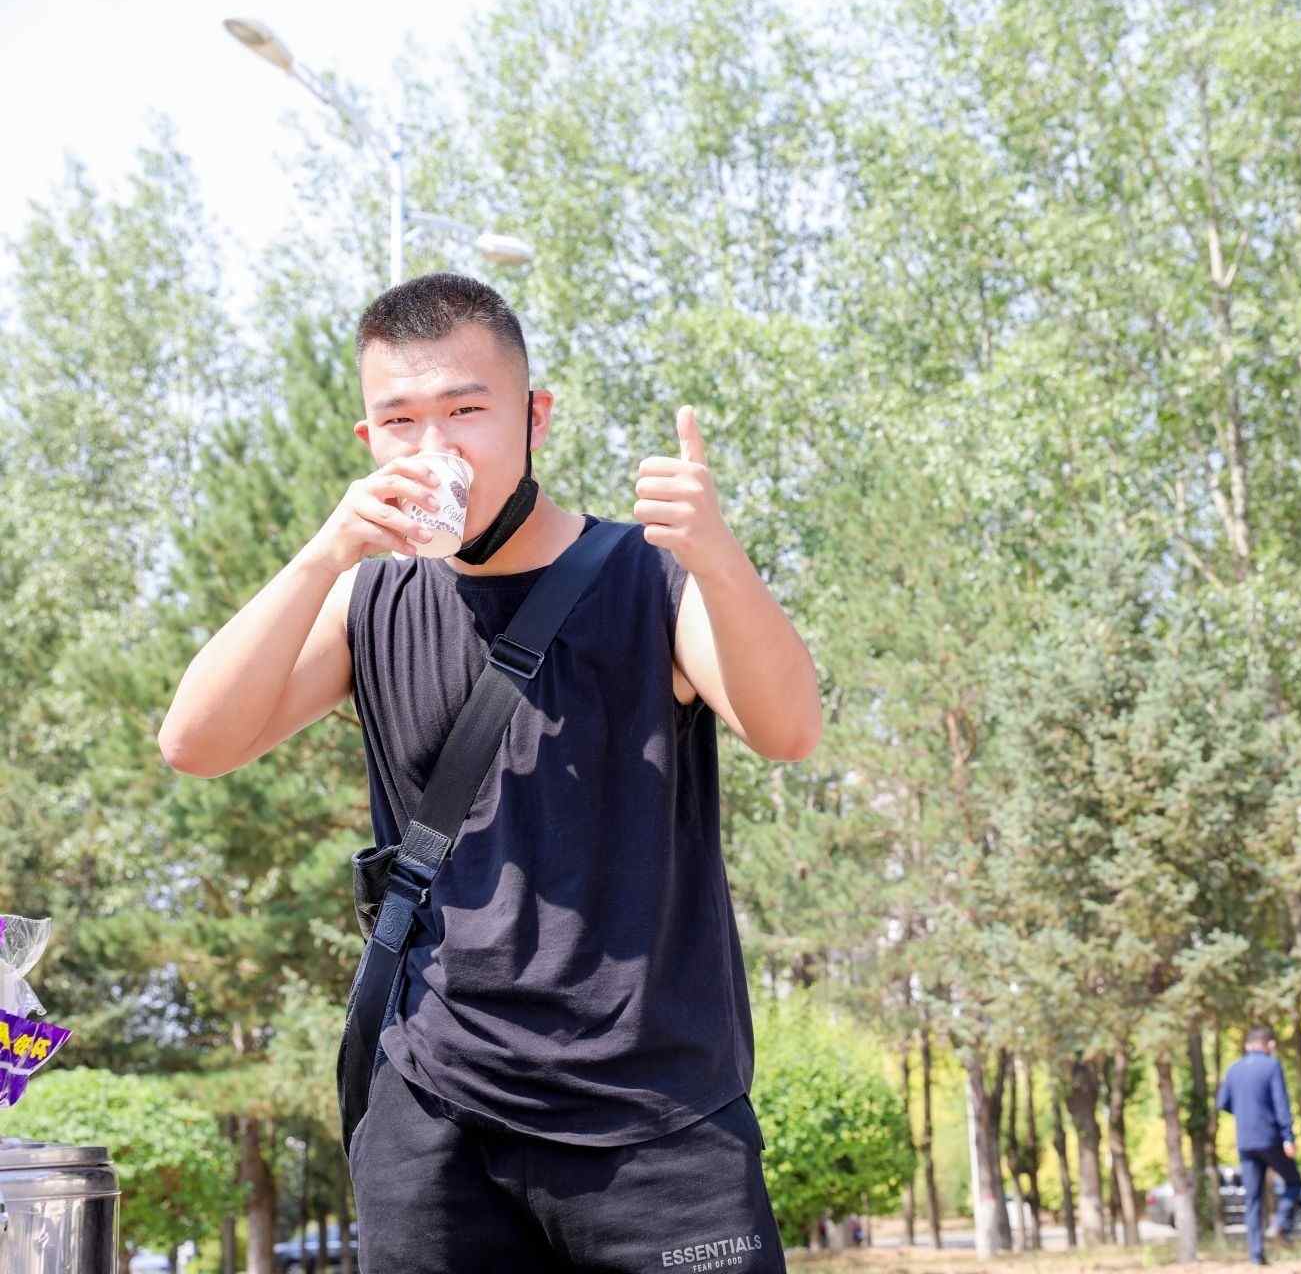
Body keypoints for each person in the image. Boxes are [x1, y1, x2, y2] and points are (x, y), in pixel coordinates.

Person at [159, 273, 820, 1273]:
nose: (435, 445)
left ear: (534, 416)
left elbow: (790, 730)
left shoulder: (649, 576)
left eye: (467, 410)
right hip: (437, 1114)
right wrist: (325, 553)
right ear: (368, 439)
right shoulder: (367, 600)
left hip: (658, 1122)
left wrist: (719, 557)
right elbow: (195, 743)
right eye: (401, 420)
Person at [1218, 1025, 1301, 1263]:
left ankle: (1256, 1256)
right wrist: (1288, 1137)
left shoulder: (1234, 1069)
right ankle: (1281, 1224)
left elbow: (1222, 1102)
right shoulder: (1271, 1066)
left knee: (1252, 1199)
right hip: (1270, 1139)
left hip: (1245, 1141)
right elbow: (1281, 1103)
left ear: (1248, 1045)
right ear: (1269, 1044)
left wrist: (1245, 1112)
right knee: (1294, 1182)